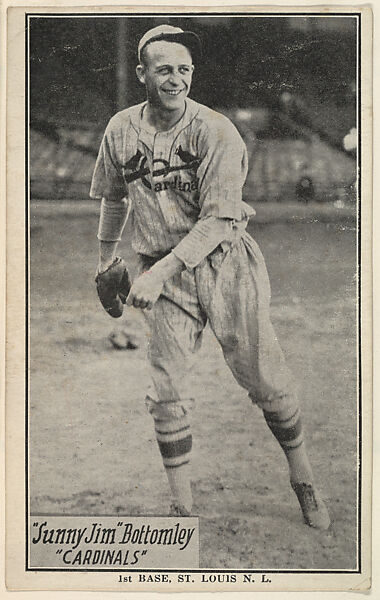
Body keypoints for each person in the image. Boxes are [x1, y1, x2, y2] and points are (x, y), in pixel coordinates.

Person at [90, 24, 331, 529]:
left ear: (192, 73)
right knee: (166, 390)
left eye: (183, 70)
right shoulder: (119, 129)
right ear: (142, 74)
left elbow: (220, 219)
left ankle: (303, 478)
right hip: (162, 272)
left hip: (225, 264)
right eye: (163, 70)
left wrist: (156, 276)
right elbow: (115, 198)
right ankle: (182, 507)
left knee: (266, 381)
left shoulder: (216, 130)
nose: (175, 79)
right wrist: (106, 256)